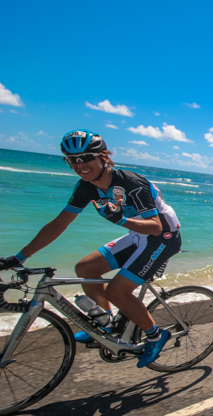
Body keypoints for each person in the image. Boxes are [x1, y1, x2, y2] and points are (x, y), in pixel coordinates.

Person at [0, 130, 182, 368]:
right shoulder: (86, 187)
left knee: (117, 292)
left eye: (85, 157)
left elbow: (156, 227)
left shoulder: (131, 183)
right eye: (72, 159)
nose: (79, 165)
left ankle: (156, 336)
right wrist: (19, 257)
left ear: (103, 157)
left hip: (163, 238)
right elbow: (59, 224)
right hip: (138, 235)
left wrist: (120, 220)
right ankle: (105, 323)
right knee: (85, 267)